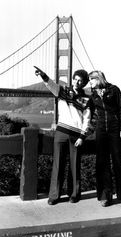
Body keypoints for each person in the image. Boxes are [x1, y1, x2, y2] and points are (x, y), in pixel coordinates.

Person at [34, 66, 91, 205]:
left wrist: (82, 137)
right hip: (61, 132)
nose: (77, 82)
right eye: (75, 79)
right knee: (58, 165)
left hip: (76, 135)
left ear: (84, 83)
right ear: (72, 79)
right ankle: (54, 196)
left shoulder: (87, 99)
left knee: (75, 165)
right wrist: (43, 76)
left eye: (80, 81)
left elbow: (87, 119)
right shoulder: (63, 91)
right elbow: (51, 85)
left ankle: (74, 194)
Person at [87, 70, 121, 208]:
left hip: (115, 129)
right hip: (101, 130)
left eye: (91, 79)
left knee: (119, 162)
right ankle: (105, 196)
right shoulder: (93, 94)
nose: (89, 82)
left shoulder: (113, 90)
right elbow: (86, 111)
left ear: (98, 79)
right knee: (102, 163)